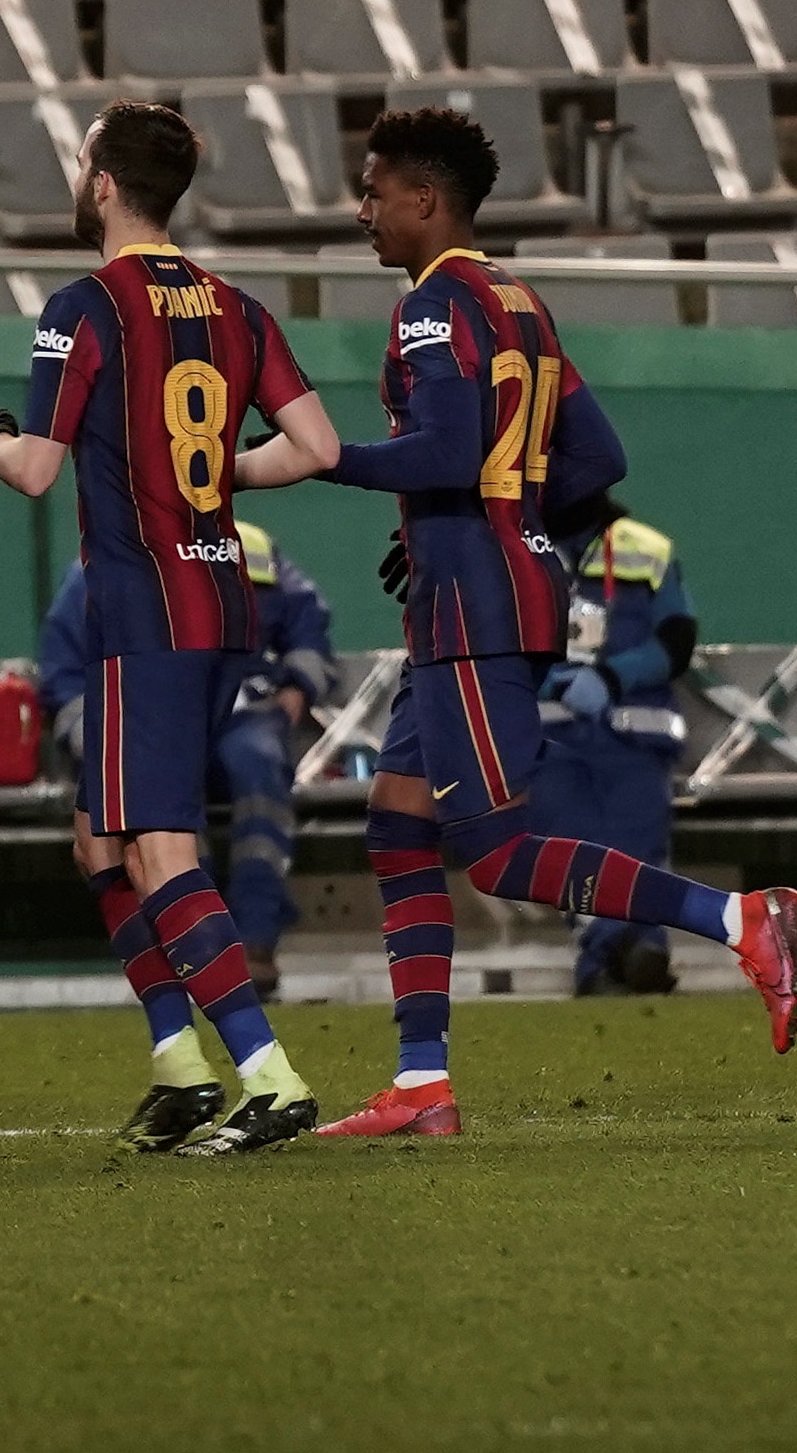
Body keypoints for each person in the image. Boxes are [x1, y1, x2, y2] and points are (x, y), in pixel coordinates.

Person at [307, 107, 797, 1139]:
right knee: (399, 823)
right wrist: (496, 522)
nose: (363, 210)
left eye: (375, 188)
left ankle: (746, 919)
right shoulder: (520, 301)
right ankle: (423, 1083)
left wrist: (320, 453)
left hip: (477, 613)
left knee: (492, 851)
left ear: (425, 199)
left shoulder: (434, 307)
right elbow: (595, 458)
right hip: (462, 599)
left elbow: (443, 452)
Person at [0, 99, 342, 1157]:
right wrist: (228, 468)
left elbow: (36, 469)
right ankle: (180, 1062)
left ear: (100, 184)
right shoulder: (236, 306)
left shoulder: (82, 305)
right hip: (221, 597)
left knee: (161, 845)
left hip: (146, 607)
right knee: (103, 834)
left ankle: (267, 1073)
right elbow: (313, 444)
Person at [35, 522, 338, 999]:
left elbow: (308, 628)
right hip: (150, 723)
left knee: (257, 764)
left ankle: (254, 943)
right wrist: (100, 741)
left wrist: (298, 689)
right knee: (166, 791)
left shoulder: (246, 548)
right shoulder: (102, 565)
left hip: (244, 714)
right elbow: (63, 675)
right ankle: (198, 944)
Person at [529, 494, 696, 995]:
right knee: (567, 851)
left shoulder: (647, 549)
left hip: (634, 735)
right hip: (546, 740)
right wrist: (546, 678)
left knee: (636, 849)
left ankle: (611, 965)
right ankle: (634, 952)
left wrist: (613, 677)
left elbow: (677, 640)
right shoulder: (512, 552)